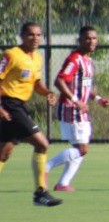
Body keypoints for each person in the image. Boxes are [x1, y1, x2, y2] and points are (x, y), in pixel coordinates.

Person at [0, 22, 62, 207]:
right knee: (42, 144)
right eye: (30, 35)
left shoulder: (36, 58)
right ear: (21, 36)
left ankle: (40, 194)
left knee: (4, 152)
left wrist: (48, 93)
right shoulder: (11, 55)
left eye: (38, 35)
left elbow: (36, 83)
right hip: (9, 105)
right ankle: (40, 192)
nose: (35, 38)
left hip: (19, 105)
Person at [45, 26, 109, 191]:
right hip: (71, 108)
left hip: (79, 109)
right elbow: (59, 81)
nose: (91, 41)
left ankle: (63, 183)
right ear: (80, 40)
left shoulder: (88, 61)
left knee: (80, 148)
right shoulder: (74, 59)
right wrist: (76, 101)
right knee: (82, 149)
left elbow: (85, 87)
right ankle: (45, 167)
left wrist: (98, 99)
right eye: (87, 38)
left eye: (94, 38)